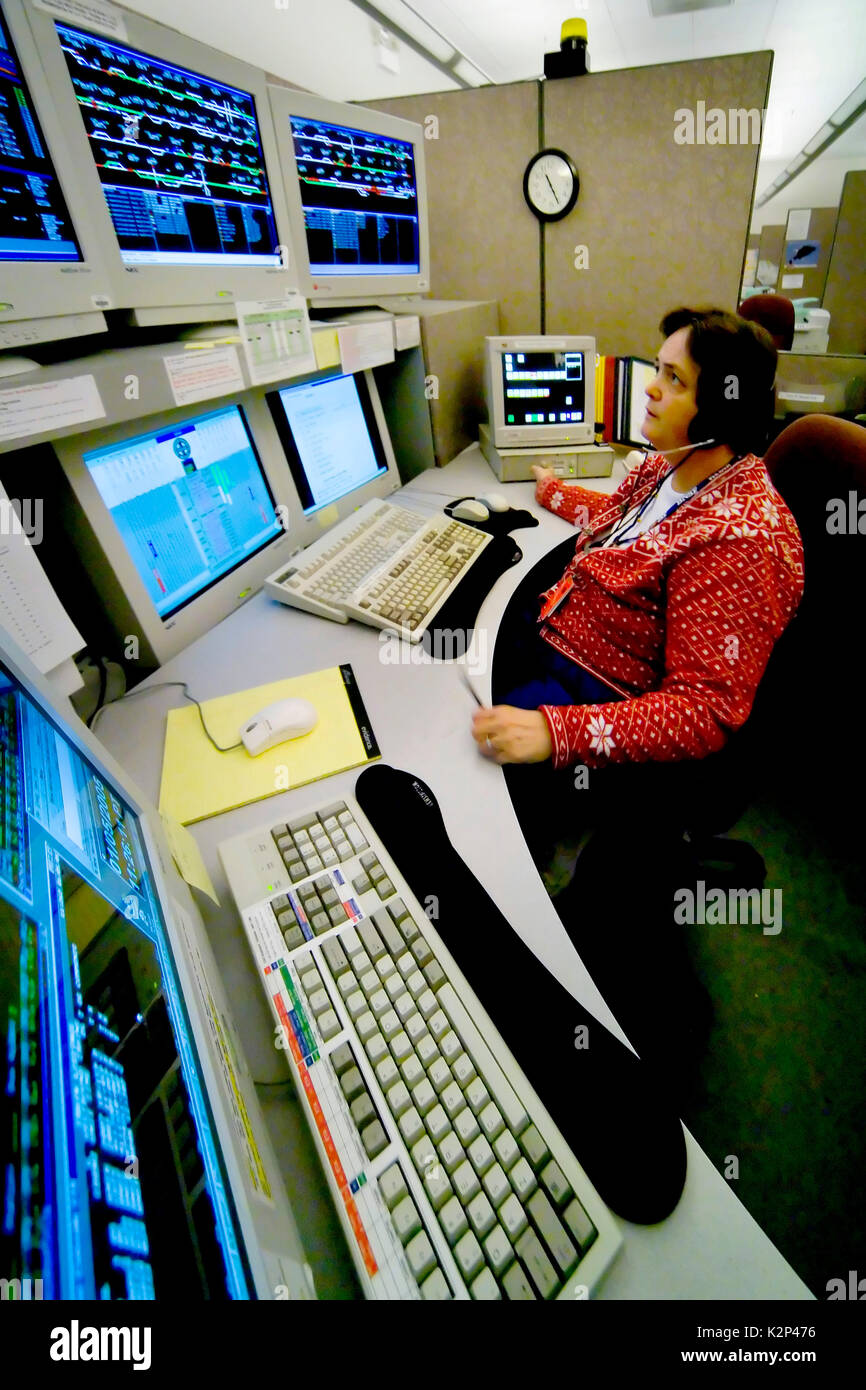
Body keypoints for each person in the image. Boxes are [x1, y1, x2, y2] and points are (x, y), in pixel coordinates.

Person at [471, 308, 804, 787]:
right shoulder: (669, 465)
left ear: (721, 406)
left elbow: (703, 712)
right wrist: (551, 490)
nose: (651, 387)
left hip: (599, 693)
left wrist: (555, 731)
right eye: (658, 368)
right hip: (561, 630)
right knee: (452, 648)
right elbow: (621, 522)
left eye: (675, 380)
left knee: (461, 742)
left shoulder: (739, 542)